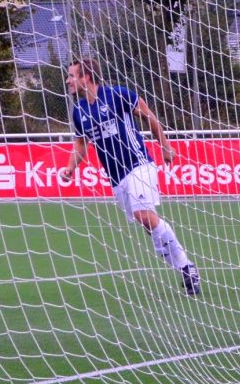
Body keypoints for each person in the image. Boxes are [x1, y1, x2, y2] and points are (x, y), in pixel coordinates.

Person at [59, 59, 201, 296]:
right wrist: (70, 167)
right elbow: (81, 143)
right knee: (148, 224)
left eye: (71, 75)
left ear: (87, 77)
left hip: (139, 164)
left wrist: (165, 146)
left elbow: (149, 116)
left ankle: (186, 266)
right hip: (117, 178)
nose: (67, 81)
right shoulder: (79, 111)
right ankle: (185, 267)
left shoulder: (117, 94)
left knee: (142, 214)